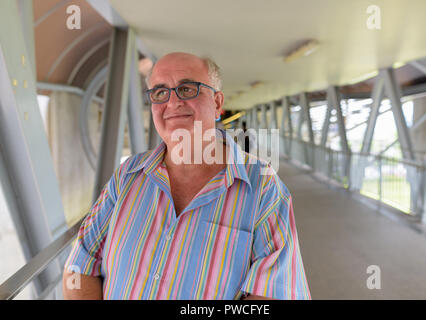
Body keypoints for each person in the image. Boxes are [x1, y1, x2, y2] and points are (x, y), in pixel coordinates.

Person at [62, 52, 310, 300]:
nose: (172, 102)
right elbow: (79, 264)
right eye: (160, 92)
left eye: (188, 89)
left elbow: (274, 294)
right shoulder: (127, 175)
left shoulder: (262, 186)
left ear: (217, 103)